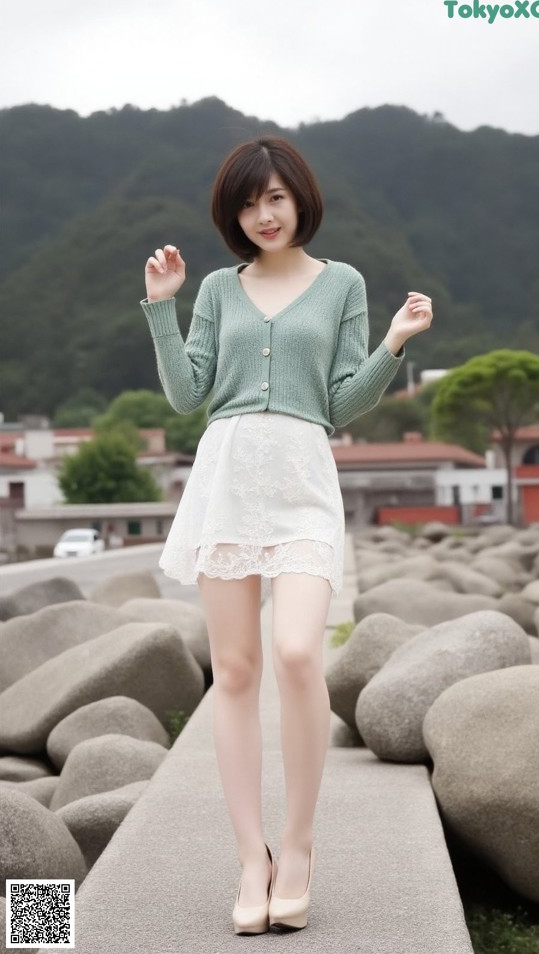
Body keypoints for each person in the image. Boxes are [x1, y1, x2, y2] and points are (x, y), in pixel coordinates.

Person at [141, 135, 433, 935]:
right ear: (232, 216)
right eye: (247, 204)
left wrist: (393, 345)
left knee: (299, 652)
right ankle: (252, 858)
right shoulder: (217, 289)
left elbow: (339, 402)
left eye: (274, 197)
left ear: (300, 196)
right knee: (235, 671)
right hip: (228, 477)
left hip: (303, 479)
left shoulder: (343, 283)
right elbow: (186, 395)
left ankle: (297, 846)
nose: (263, 215)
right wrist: (162, 307)